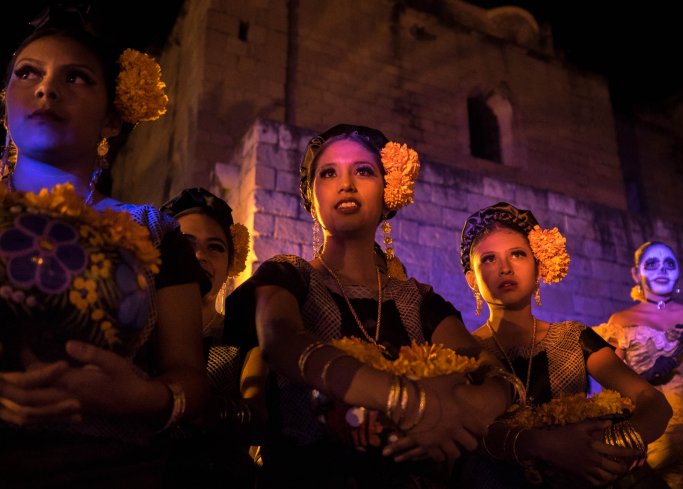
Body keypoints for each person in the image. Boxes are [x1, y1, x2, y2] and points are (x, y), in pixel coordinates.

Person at [225, 123, 518, 488]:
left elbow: (491, 373)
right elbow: (281, 342)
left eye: (363, 171)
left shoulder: (417, 300)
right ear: (312, 196)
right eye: (328, 172)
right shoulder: (288, 276)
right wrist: (410, 403)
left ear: (387, 192)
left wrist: (458, 412)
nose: (346, 183)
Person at [0, 6, 208, 487]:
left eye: (75, 78)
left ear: (113, 117)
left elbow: (190, 378)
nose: (46, 88)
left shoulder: (155, 232)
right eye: (28, 72)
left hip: (114, 466)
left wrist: (146, 399)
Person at [458, 202, 672, 488]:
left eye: (518, 254)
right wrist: (540, 446)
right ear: (472, 279)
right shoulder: (461, 351)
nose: (505, 268)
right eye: (489, 259)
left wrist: (606, 447)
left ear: (538, 268)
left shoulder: (573, 337)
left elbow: (653, 402)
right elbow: (459, 429)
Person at [160, 187, 266, 487]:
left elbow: (257, 417)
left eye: (215, 247)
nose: (199, 256)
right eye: (185, 244)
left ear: (231, 262)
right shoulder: (139, 333)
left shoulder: (243, 339)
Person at [597, 241, 683, 489]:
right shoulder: (622, 321)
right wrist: (648, 375)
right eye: (652, 264)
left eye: (669, 264)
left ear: (678, 272)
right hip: (656, 439)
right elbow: (610, 394)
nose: (662, 270)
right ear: (636, 273)